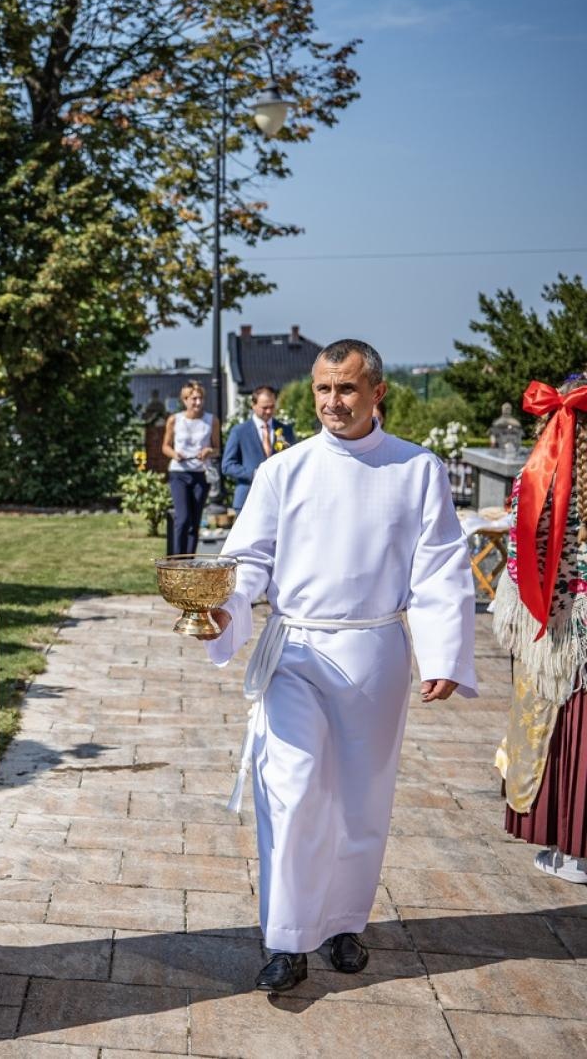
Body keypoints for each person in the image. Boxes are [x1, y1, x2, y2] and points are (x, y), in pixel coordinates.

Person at [202, 339, 476, 992]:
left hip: (376, 647)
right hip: (294, 650)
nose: (332, 402)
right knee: (291, 792)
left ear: (376, 392)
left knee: (361, 797)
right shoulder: (282, 471)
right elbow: (248, 562)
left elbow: (439, 566)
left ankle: (343, 923)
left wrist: (443, 652)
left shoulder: (416, 470)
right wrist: (223, 609)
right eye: (323, 390)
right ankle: (288, 938)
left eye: (346, 389)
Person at [492, 375, 587, 884]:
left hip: (561, 631)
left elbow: (520, 555)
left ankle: (573, 846)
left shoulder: (542, 476)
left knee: (562, 727)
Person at [160, 380, 219, 554]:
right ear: (185, 400)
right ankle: (176, 560)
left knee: (194, 521)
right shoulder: (174, 420)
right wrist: (174, 454)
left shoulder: (211, 420)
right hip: (179, 473)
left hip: (201, 474)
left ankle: (189, 562)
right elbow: (165, 446)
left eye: (200, 398)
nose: (198, 402)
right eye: (193, 399)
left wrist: (209, 451)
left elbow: (217, 449)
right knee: (183, 518)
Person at [221, 386, 296, 512]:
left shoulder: (285, 430)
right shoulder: (239, 431)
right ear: (253, 405)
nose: (268, 411)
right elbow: (227, 465)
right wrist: (254, 474)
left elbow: (293, 461)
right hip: (247, 497)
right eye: (264, 407)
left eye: (272, 407)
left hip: (279, 499)